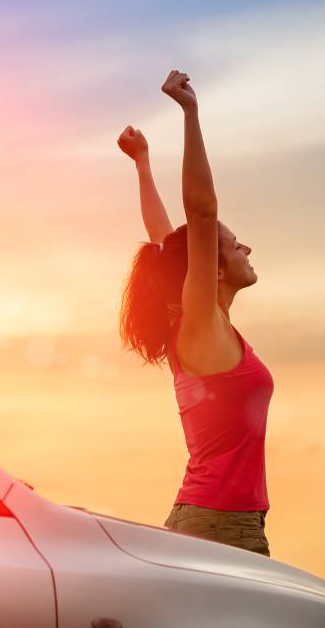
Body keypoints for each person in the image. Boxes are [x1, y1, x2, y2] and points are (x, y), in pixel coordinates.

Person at [117, 70, 273, 557]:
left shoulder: (207, 326)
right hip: (220, 528)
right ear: (213, 269)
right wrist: (190, 112)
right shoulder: (200, 324)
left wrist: (142, 165)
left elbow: (167, 244)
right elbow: (200, 215)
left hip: (218, 522)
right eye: (231, 245)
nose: (245, 246)